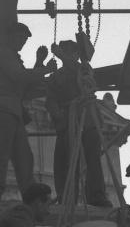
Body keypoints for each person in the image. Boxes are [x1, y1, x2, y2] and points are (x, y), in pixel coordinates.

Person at [0, 22, 57, 201]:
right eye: (21, 39)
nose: (23, 43)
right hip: (2, 109)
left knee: (24, 156)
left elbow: (25, 84)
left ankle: (30, 195)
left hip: (13, 111)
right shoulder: (3, 54)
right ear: (11, 36)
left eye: (24, 40)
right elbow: (20, 76)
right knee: (0, 153)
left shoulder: (11, 57)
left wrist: (39, 63)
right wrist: (45, 69)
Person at [46, 39, 112, 207]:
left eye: (71, 52)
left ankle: (96, 196)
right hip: (67, 120)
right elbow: (50, 99)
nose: (69, 55)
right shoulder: (56, 77)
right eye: (66, 51)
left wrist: (62, 55)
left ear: (76, 54)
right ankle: (67, 198)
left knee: (92, 159)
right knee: (65, 161)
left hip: (87, 118)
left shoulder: (83, 69)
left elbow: (81, 73)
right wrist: (58, 115)